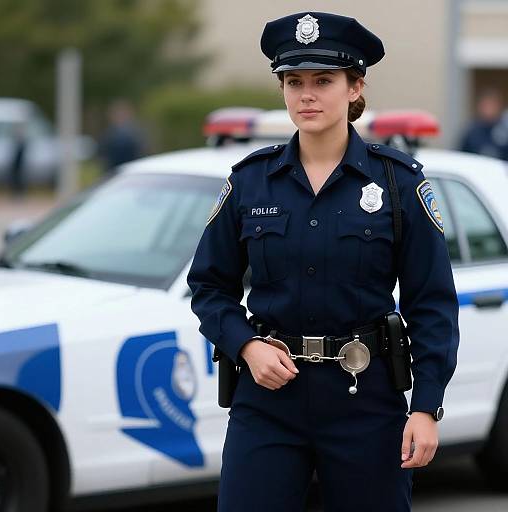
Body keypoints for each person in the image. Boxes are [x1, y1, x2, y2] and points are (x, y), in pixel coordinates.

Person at [187, 11, 459, 512]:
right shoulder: (251, 180)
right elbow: (207, 285)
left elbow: (433, 303)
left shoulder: (398, 183)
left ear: (355, 88)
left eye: (323, 81)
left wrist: (426, 407)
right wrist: (246, 346)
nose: (306, 94)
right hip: (268, 401)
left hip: (367, 400)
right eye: (294, 82)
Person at [459, 87, 508, 160]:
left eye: (492, 105)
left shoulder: (505, 129)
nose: (489, 109)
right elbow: (461, 154)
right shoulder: (472, 131)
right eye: (486, 105)